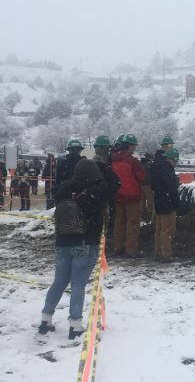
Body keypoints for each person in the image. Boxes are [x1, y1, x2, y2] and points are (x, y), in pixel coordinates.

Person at [39, 159, 110, 339]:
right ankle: (75, 326)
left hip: (63, 242)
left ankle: (45, 320)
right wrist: (104, 166)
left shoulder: (62, 190)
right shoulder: (96, 191)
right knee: (78, 285)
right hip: (86, 242)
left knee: (59, 282)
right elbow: (114, 186)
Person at [111, 134, 145, 257]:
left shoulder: (113, 159)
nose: (135, 148)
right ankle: (131, 249)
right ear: (129, 146)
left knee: (119, 222)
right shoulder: (133, 161)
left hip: (118, 195)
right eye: (134, 145)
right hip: (132, 196)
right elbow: (141, 177)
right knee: (132, 223)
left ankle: (117, 247)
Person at [151, 148, 180, 262]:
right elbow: (171, 188)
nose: (176, 163)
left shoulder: (158, 168)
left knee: (159, 229)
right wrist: (176, 202)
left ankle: (158, 252)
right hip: (168, 203)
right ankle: (166, 254)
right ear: (171, 158)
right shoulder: (167, 170)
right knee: (167, 230)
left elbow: (154, 186)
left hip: (159, 202)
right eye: (176, 160)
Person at [93, 135, 121, 228]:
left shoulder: (94, 161)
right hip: (107, 190)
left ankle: (104, 229)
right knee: (109, 212)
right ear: (105, 147)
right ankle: (108, 230)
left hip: (98, 192)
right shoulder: (107, 160)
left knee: (101, 214)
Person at [140, 152, 155, 222]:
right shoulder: (148, 165)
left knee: (142, 201)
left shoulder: (141, 164)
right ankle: (149, 215)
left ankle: (140, 215)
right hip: (148, 185)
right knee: (150, 200)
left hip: (141, 185)